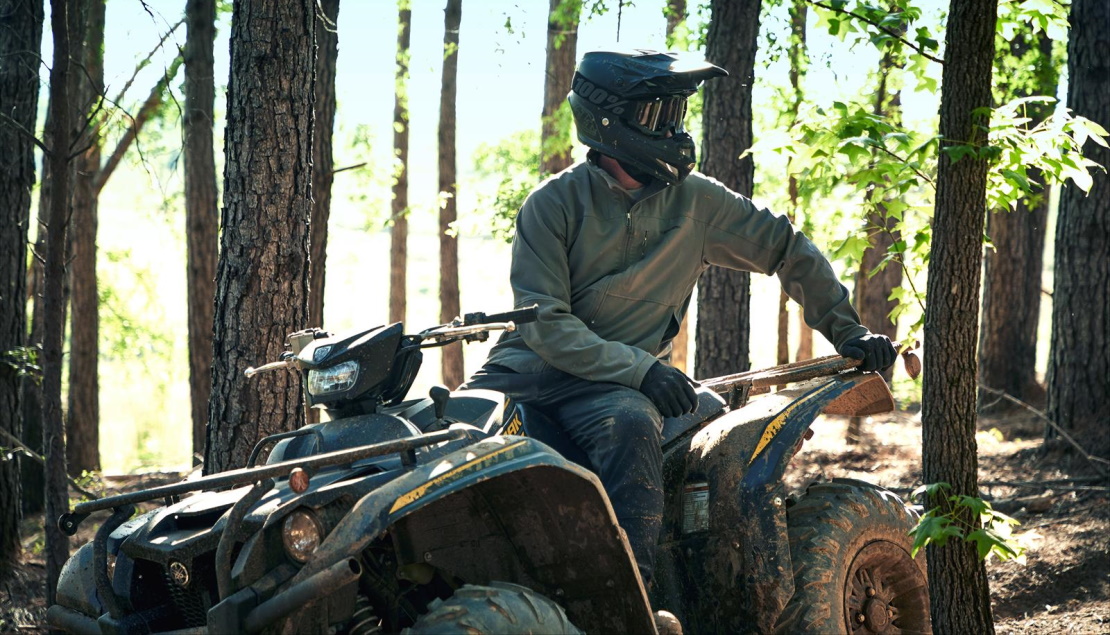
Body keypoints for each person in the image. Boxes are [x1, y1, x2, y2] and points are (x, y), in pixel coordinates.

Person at [462, 47, 895, 618]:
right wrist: (643, 371)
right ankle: (628, 618)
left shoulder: (700, 202)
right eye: (657, 116)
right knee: (620, 421)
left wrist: (848, 333)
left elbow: (788, 248)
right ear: (607, 121)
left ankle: (666, 607)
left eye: (677, 114)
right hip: (530, 379)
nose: (674, 129)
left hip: (613, 388)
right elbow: (547, 327)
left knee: (685, 418)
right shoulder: (552, 204)